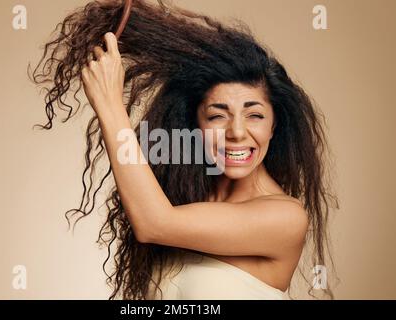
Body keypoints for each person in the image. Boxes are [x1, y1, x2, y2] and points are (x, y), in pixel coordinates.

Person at [30, 0, 339, 300]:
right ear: (196, 127)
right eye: (218, 115)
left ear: (274, 126)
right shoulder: (186, 200)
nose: (236, 132)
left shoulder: (285, 217)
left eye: (254, 114)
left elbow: (154, 224)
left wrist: (111, 106)